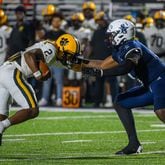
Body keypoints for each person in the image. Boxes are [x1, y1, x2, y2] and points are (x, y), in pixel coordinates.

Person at [69, 19, 165, 155]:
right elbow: (102, 64)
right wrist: (77, 61)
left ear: (122, 33)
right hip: (150, 85)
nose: (109, 38)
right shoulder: (121, 49)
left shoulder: (132, 45)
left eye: (112, 34)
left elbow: (126, 67)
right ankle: (134, 144)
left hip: (161, 80)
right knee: (121, 103)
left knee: (161, 111)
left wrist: (101, 73)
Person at [0, 33, 81, 145]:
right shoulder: (52, 49)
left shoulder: (52, 49)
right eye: (69, 55)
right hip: (13, 71)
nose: (69, 58)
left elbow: (72, 64)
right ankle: (3, 125)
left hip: (4, 70)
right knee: (32, 109)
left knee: (1, 116)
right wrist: (37, 74)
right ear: (62, 49)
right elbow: (29, 55)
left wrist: (90, 67)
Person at [39, 12, 66, 107]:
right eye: (55, 21)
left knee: (59, 81)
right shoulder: (48, 33)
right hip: (48, 60)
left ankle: (59, 98)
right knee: (46, 81)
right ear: (52, 22)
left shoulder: (64, 33)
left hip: (58, 61)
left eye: (58, 21)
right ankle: (45, 98)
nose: (56, 22)